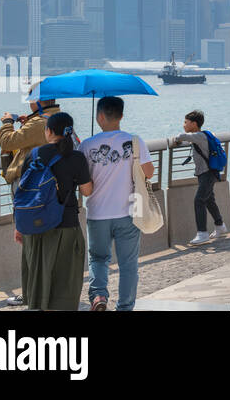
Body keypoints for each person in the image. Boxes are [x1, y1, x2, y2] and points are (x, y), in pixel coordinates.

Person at [80, 96, 153, 311]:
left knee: (98, 259)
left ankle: (99, 297)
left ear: (99, 116)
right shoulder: (135, 141)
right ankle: (125, 307)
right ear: (121, 115)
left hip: (97, 213)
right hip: (128, 213)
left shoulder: (87, 145)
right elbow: (148, 173)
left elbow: (82, 179)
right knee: (128, 265)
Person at [14, 111, 92, 311]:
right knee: (65, 278)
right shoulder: (76, 157)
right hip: (65, 224)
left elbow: (22, 191)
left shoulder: (35, 154)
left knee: (38, 276)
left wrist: (18, 226)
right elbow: (87, 191)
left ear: (48, 131)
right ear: (70, 132)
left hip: (35, 225)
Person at [174, 109, 228, 245]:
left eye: (186, 122)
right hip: (208, 172)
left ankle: (202, 233)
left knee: (199, 200)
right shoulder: (205, 135)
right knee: (209, 200)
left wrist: (176, 139)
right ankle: (220, 226)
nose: (184, 125)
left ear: (194, 123)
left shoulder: (198, 136)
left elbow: (181, 136)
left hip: (207, 173)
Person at [0, 96, 60, 190]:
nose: (30, 104)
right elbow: (40, 138)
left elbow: (7, 142)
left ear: (39, 101)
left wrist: (7, 122)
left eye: (31, 100)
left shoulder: (39, 123)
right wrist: (29, 123)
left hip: (31, 182)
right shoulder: (59, 118)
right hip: (51, 178)